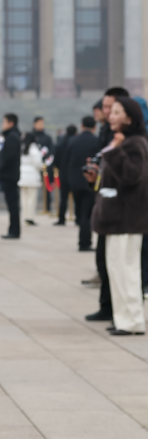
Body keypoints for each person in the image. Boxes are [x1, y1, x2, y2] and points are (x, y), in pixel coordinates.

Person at [88, 97, 148, 335]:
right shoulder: (123, 142)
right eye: (110, 112)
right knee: (116, 270)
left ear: (130, 118)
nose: (110, 116)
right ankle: (123, 318)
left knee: (127, 271)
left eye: (116, 112)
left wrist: (115, 151)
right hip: (116, 218)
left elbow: (131, 176)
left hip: (127, 219)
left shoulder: (135, 143)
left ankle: (132, 321)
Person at [86, 87, 132, 320]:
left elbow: (131, 175)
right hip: (108, 205)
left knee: (125, 265)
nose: (106, 113)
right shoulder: (108, 133)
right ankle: (108, 307)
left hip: (126, 212)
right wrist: (95, 176)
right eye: (105, 108)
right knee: (106, 260)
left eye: (111, 109)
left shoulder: (132, 140)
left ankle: (127, 315)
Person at [67, 117, 100, 253]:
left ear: (81, 126)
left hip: (75, 182)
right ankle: (85, 242)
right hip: (90, 181)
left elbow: (67, 160)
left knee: (80, 212)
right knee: (87, 213)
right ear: (94, 127)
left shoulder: (73, 141)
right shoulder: (97, 141)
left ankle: (83, 240)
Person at [0, 113, 21, 239]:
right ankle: (13, 229)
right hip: (11, 175)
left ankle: (14, 231)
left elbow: (8, 158)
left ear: (11, 123)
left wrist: (0, 169)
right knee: (12, 205)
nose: (2, 125)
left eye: (4, 122)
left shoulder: (11, 137)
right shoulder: (12, 136)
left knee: (13, 205)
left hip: (9, 176)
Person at [18, 132, 45, 227]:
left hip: (22, 175)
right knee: (31, 198)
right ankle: (30, 217)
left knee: (24, 199)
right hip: (32, 176)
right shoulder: (34, 149)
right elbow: (38, 163)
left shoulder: (22, 148)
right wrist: (42, 167)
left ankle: (25, 216)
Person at [54, 124, 77, 225]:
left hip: (63, 173)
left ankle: (61, 219)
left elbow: (56, 159)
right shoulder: (76, 142)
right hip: (75, 173)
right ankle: (78, 218)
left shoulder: (60, 143)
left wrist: (60, 168)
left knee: (63, 198)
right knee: (77, 198)